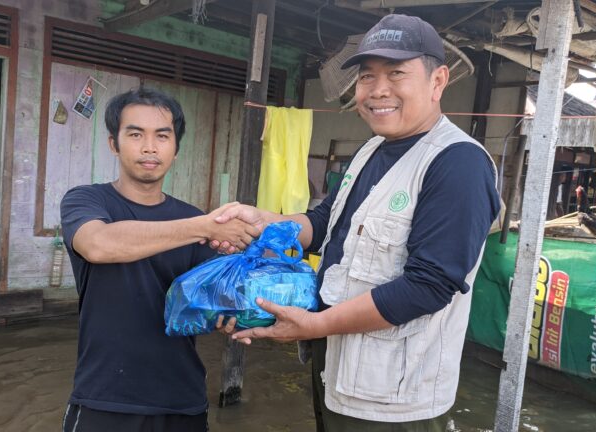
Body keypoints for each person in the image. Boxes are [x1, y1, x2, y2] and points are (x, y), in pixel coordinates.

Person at [214, 14, 501, 431]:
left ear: (437, 81)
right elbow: (324, 224)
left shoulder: (458, 163)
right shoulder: (371, 149)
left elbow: (429, 285)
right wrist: (265, 222)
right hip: (337, 371)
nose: (377, 89)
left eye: (396, 73)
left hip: (394, 399)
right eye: (367, 76)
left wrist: (314, 324)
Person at [60, 88, 259, 432]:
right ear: (114, 143)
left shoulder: (195, 220)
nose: (150, 147)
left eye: (162, 136)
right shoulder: (87, 201)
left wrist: (232, 315)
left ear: (176, 150)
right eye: (136, 134)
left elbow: (213, 297)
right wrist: (202, 226)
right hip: (105, 397)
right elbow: (97, 245)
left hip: (182, 401)